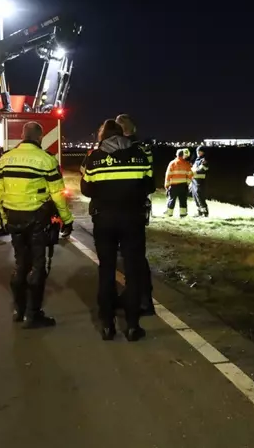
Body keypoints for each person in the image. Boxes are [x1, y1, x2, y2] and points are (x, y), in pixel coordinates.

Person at [81, 119, 154, 341]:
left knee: (106, 270)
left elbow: (86, 189)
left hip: (104, 220)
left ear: (103, 136)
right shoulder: (140, 155)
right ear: (122, 134)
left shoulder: (94, 157)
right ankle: (132, 326)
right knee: (132, 272)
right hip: (133, 220)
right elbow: (150, 185)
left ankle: (107, 325)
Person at [0, 122, 74, 329]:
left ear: (22, 135)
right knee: (38, 265)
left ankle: (18, 310)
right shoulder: (46, 160)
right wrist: (67, 219)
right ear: (39, 137)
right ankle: (33, 314)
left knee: (21, 263)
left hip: (14, 217)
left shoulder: (4, 160)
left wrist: (5, 217)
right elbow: (57, 195)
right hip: (37, 219)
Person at [115, 114, 156, 316]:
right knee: (134, 256)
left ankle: (142, 301)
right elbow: (148, 181)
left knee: (134, 257)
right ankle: (136, 297)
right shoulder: (142, 149)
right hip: (136, 208)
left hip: (127, 209)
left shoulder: (129, 149)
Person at [163, 148, 193, 218]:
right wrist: (188, 183)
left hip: (174, 185)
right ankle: (183, 214)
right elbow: (190, 174)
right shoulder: (187, 164)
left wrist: (167, 185)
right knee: (183, 200)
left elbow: (168, 175)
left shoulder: (172, 163)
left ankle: (169, 213)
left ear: (176, 155)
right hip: (183, 186)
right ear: (183, 155)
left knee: (172, 199)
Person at [190, 146, 209, 217]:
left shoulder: (204, 160)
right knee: (195, 196)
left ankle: (205, 213)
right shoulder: (197, 159)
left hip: (200, 182)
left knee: (200, 197)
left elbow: (203, 168)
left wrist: (192, 171)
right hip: (194, 181)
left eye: (200, 151)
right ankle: (199, 212)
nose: (198, 152)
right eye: (197, 151)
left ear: (203, 152)